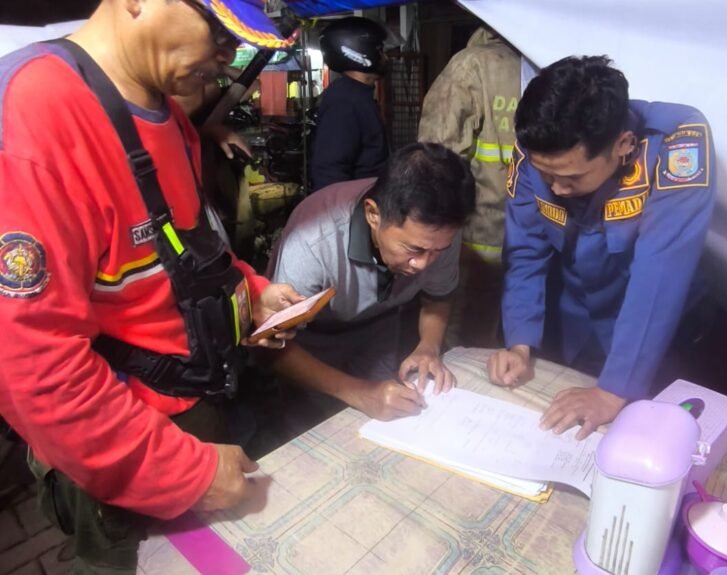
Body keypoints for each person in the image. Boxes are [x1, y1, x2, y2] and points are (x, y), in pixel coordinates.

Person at [0, 0, 303, 572]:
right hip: (120, 443)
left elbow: (187, 260)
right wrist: (179, 474)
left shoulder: (170, 119)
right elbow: (32, 366)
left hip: (196, 411)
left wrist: (252, 292)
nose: (227, 54)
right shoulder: (36, 115)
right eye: (216, 29)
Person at [488, 56, 716, 439]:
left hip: (653, 328)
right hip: (574, 314)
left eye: (570, 178)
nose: (555, 189)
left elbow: (659, 275)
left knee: (646, 434)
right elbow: (525, 252)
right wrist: (520, 343)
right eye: (546, 175)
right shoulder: (538, 147)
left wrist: (613, 389)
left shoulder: (677, 144)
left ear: (623, 145)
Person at [267, 143, 476, 420]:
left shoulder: (438, 236)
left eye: (438, 250)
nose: (425, 263)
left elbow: (438, 295)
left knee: (385, 416)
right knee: (311, 422)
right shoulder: (312, 241)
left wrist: (429, 346)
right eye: (413, 250)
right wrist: (361, 392)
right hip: (310, 338)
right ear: (373, 215)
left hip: (379, 325)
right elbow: (273, 348)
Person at [418, 26, 521, 348]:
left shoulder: (471, 66)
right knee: (515, 340)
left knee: (464, 344)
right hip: (536, 242)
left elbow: (435, 161)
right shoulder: (547, 66)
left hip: (475, 241)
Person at [310, 16, 389, 191]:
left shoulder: (357, 94)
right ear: (361, 52)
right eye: (380, 50)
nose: (386, 57)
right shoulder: (345, 100)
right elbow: (330, 171)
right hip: (355, 209)